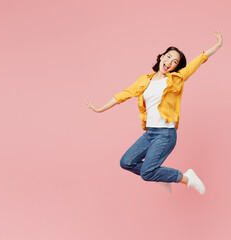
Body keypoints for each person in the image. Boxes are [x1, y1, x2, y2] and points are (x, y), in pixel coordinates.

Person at [86, 31, 223, 195]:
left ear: (176, 67)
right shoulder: (145, 81)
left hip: (165, 134)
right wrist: (100, 108)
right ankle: (161, 177)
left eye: (174, 62)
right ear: (161, 57)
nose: (169, 62)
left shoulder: (176, 79)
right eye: (168, 57)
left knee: (146, 173)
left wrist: (218, 45)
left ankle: (187, 177)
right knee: (126, 162)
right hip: (150, 133)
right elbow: (124, 94)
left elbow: (198, 61)